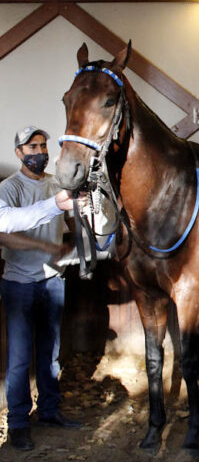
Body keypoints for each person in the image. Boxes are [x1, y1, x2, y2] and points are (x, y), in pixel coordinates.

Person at [0, 125, 81, 452]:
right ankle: (18, 423)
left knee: (51, 355)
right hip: (19, 283)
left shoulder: (56, 184)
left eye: (43, 146)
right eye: (31, 147)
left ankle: (49, 411)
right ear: (19, 153)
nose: (39, 152)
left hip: (52, 281)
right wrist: (47, 248)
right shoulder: (9, 188)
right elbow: (4, 232)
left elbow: (73, 219)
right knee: (20, 359)